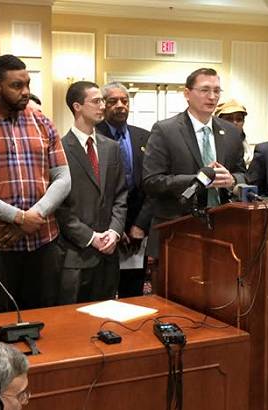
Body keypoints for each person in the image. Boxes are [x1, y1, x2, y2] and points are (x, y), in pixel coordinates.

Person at [0, 54, 70, 313]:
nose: (25, 92)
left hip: (44, 240)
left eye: (27, 84)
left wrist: (34, 216)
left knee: (46, 316)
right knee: (2, 320)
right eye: (16, 86)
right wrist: (18, 218)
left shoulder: (42, 122)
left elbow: (63, 178)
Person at [142, 67, 246, 257]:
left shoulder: (231, 132)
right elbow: (152, 181)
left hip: (222, 229)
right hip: (178, 228)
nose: (212, 96)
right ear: (187, 93)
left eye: (216, 91)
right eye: (205, 90)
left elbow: (244, 174)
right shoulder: (165, 130)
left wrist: (232, 181)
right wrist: (199, 180)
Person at [56, 81, 127, 304]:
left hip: (108, 252)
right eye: (96, 101)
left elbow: (120, 195)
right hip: (75, 254)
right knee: (73, 325)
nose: (103, 106)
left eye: (102, 101)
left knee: (105, 319)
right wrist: (90, 237)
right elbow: (59, 206)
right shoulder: (59, 149)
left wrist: (114, 232)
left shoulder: (111, 147)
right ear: (77, 106)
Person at [95, 82, 152, 298]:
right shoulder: (93, 137)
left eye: (125, 101)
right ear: (103, 105)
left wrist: (139, 225)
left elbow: (151, 186)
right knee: (103, 296)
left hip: (139, 229)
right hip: (105, 230)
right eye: (113, 101)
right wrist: (116, 229)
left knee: (133, 294)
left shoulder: (145, 137)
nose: (120, 106)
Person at [215, 99, 254, 167]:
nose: (234, 123)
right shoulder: (212, 142)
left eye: (239, 119)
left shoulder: (246, 144)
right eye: (228, 119)